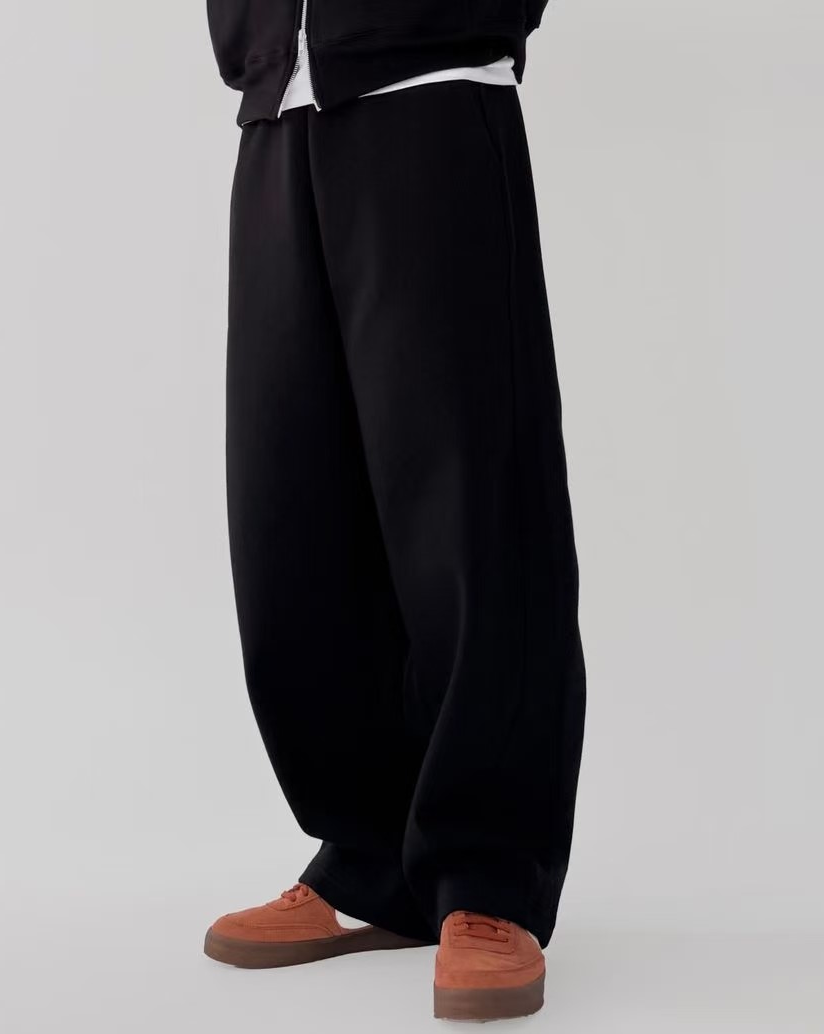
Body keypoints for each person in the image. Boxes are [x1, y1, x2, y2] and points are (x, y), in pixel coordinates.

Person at [202, 0, 586, 1021]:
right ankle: (371, 859)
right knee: (294, 506)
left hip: (431, 86)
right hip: (279, 101)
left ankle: (487, 876)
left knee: (469, 507)